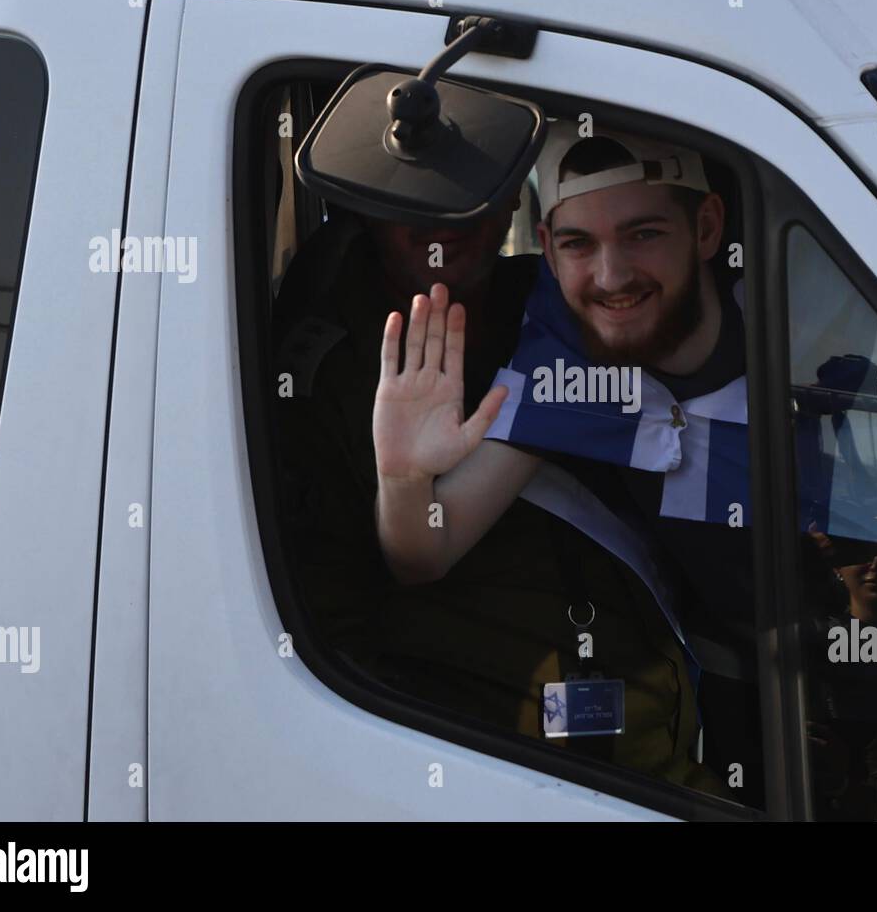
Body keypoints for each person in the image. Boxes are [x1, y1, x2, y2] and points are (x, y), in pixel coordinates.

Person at [372, 123, 772, 802]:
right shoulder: (567, 360)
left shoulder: (798, 312)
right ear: (550, 257)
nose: (612, 277)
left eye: (644, 233)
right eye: (578, 244)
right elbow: (425, 550)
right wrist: (404, 477)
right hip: (748, 691)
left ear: (707, 229)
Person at [273, 198, 717, 794]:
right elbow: (333, 656)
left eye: (475, 182)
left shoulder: (576, 302)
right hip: (498, 776)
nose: (445, 213)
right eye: (412, 188)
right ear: (368, 204)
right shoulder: (318, 379)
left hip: (661, 750)